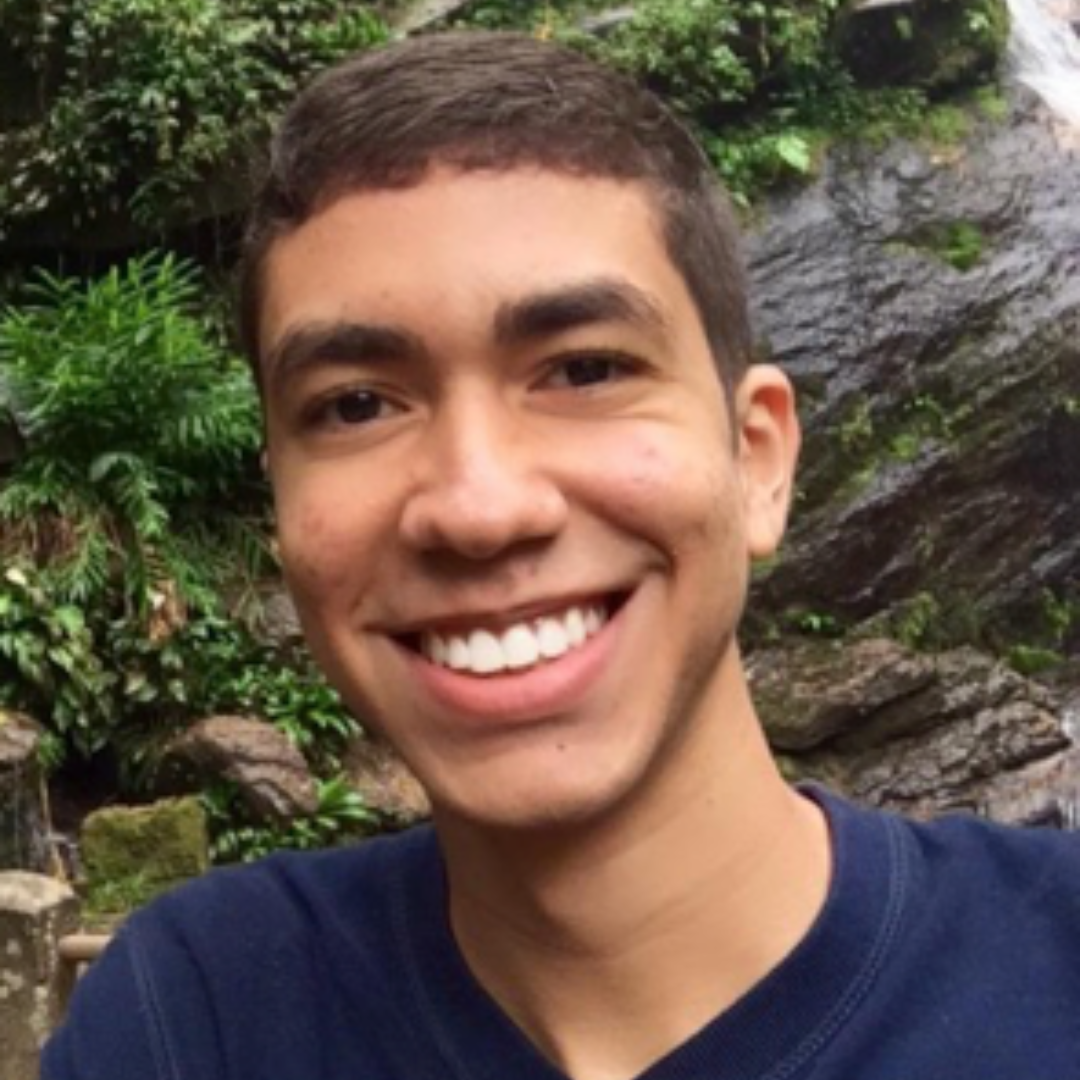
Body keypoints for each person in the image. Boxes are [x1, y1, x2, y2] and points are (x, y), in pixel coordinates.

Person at [42, 31, 1080, 1080]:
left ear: (757, 459)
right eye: (356, 405)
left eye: (585, 370)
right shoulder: (194, 1017)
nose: (480, 509)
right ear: (281, 505)